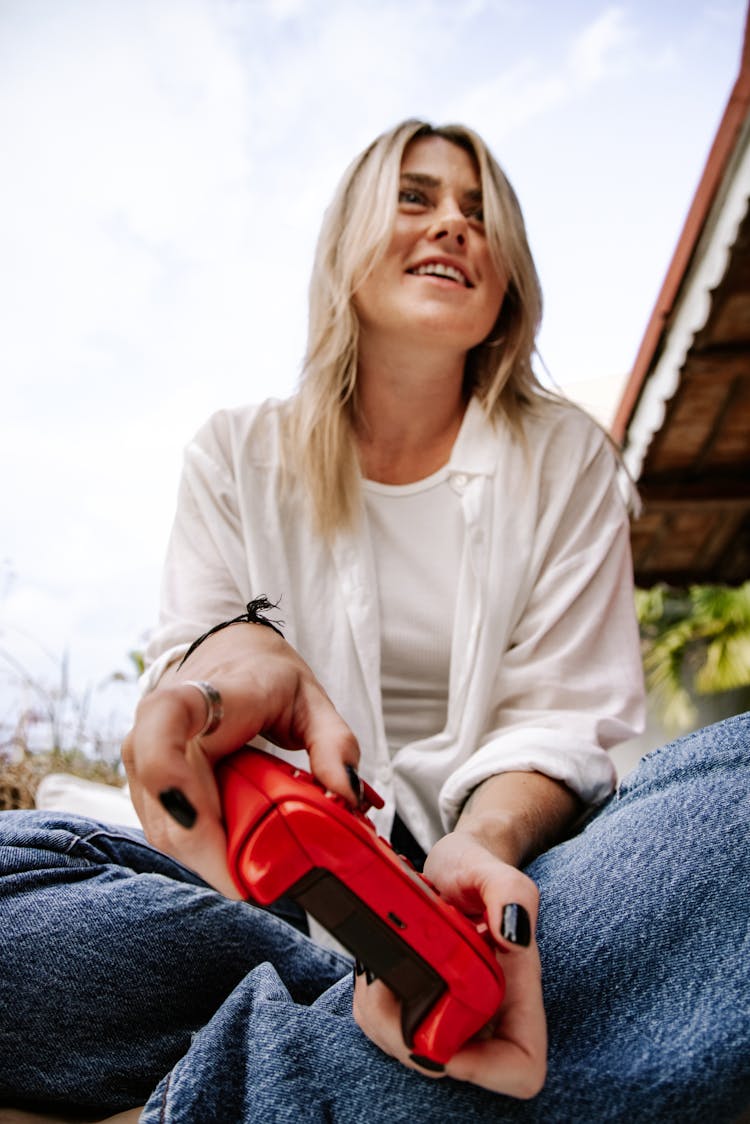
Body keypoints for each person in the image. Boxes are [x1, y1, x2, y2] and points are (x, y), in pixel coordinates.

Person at [0, 119, 747, 1123]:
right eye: (417, 197)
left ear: (509, 273)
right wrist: (233, 665)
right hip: (258, 902)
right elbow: (211, 635)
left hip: (509, 891)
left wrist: (478, 845)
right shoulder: (232, 453)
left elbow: (562, 715)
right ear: (346, 242)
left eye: (482, 213)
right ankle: (376, 1034)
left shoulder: (566, 457)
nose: (454, 225)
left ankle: (249, 1071)